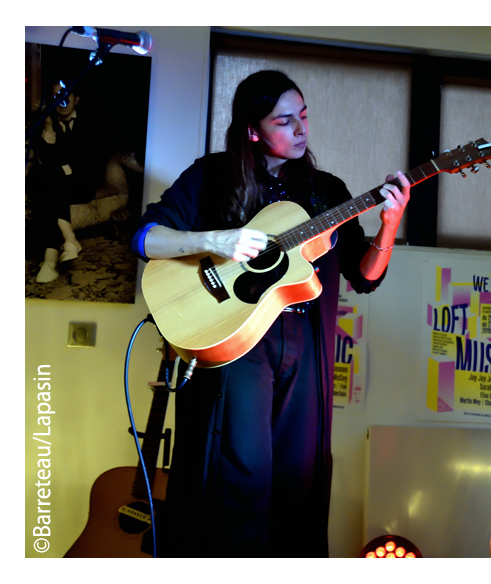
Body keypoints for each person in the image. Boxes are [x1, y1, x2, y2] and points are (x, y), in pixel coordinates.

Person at [131, 70, 410, 557]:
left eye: (304, 116)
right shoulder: (212, 176)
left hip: (306, 355)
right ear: (253, 130)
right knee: (237, 481)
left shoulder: (327, 190)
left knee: (296, 482)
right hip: (233, 348)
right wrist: (212, 240)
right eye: (285, 120)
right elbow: (144, 237)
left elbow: (365, 276)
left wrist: (389, 224)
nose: (302, 129)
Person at [27, 81, 108, 282]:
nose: (61, 100)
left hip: (82, 184)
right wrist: (47, 125)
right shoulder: (44, 122)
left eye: (65, 95)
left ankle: (56, 253)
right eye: (55, 96)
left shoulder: (91, 123)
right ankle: (66, 243)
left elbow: (92, 162)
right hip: (56, 185)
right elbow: (43, 159)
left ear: (76, 99)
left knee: (48, 180)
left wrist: (63, 167)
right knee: (48, 179)